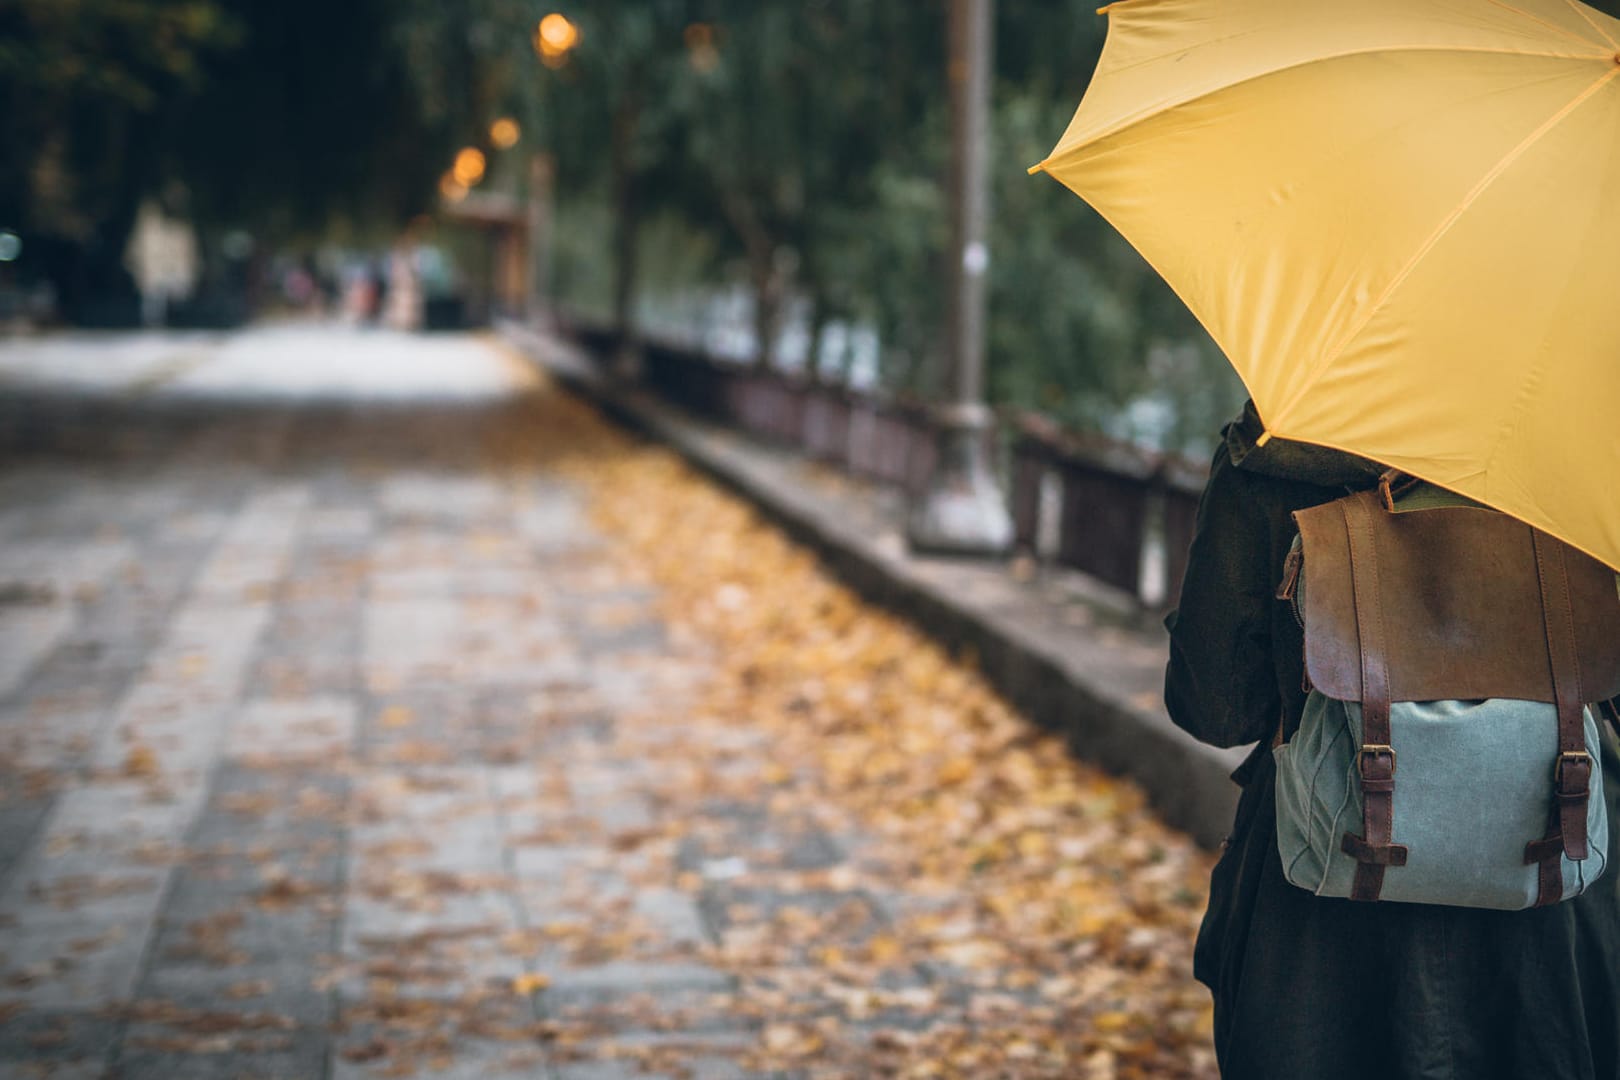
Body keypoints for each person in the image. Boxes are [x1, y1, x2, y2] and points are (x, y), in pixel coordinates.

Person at [1164, 400, 1620, 1080]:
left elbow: (1215, 710)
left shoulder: (1282, 440)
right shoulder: (1589, 440)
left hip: (1317, 920)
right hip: (1553, 898)